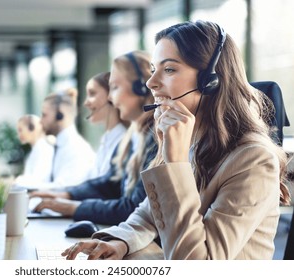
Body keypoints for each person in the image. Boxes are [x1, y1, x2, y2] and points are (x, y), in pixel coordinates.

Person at [62, 20, 291, 260]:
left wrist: (175, 164)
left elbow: (196, 265)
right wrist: (120, 242)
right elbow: (149, 213)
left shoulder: (253, 160)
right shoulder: (194, 141)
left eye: (169, 69)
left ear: (210, 82)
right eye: (153, 69)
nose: (151, 83)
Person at [31, 50, 157, 226]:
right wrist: (68, 195)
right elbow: (113, 182)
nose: (111, 98)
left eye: (115, 88)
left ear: (141, 88)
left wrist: (74, 207)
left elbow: (133, 208)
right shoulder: (136, 136)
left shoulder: (155, 139)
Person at [27, 87, 96, 190]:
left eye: (44, 115)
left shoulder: (77, 149)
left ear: (60, 115)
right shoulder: (58, 146)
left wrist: (21, 186)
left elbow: (63, 189)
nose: (40, 122)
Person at [84, 71, 128, 179]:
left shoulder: (124, 141)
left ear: (111, 97)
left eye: (92, 94)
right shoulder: (106, 139)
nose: (86, 103)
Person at [14, 114, 54, 186]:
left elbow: (37, 181)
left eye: (20, 130)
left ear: (33, 128)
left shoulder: (44, 149)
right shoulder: (36, 149)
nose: (18, 135)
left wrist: (16, 181)